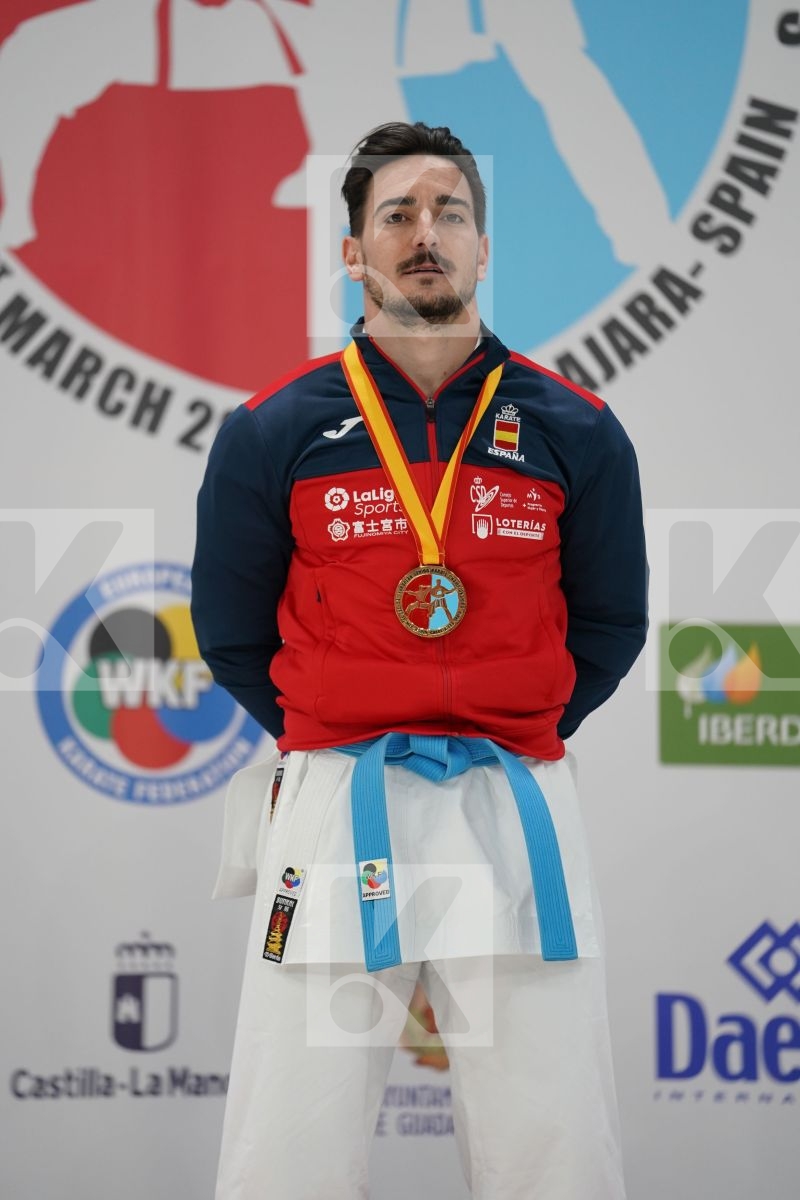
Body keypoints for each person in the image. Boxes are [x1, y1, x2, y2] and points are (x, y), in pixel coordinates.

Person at [191, 121, 647, 1200]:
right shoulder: (274, 428)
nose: (424, 233)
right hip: (333, 799)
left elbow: (611, 624)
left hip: (511, 799)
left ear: (483, 248)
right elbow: (233, 634)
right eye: (395, 214)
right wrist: (339, 720)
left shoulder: (572, 426)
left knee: (553, 1125)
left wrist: (516, 718)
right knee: (289, 1125)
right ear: (351, 250)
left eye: (449, 212)